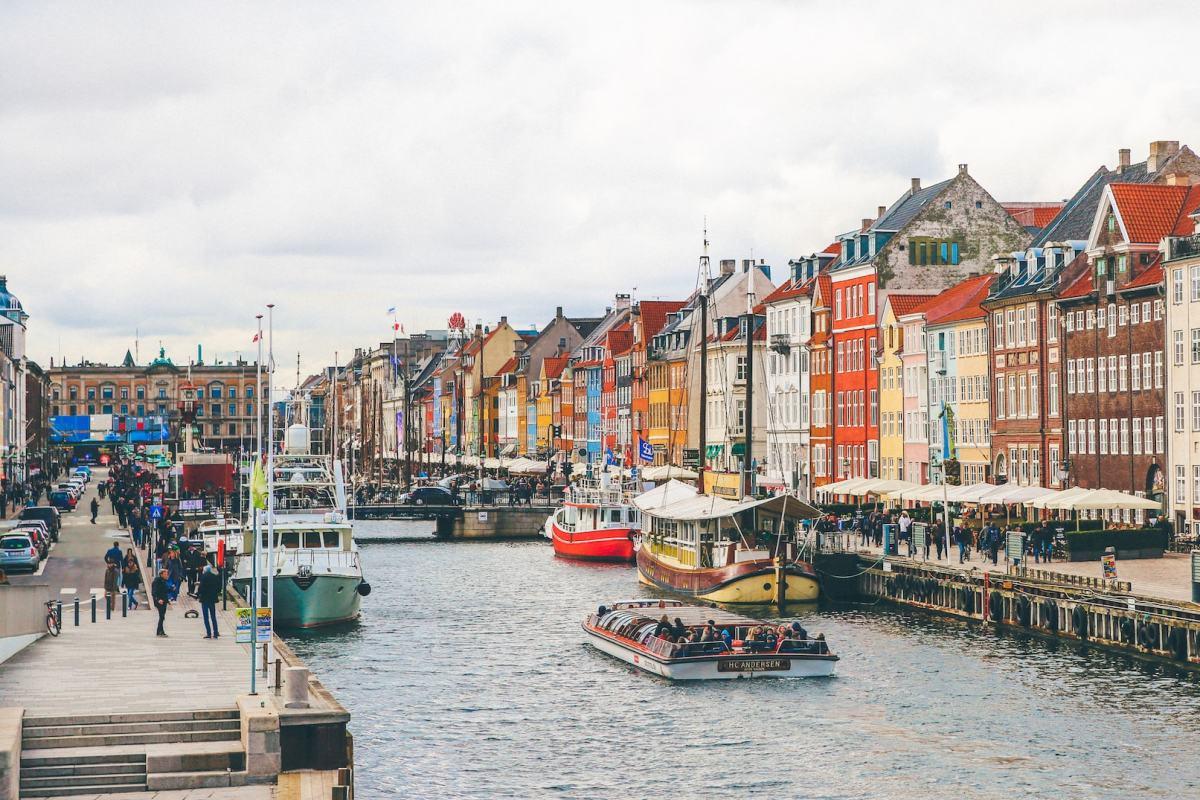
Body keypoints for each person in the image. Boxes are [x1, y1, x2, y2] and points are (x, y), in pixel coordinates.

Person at [198, 564, 222, 639]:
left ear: (204, 570)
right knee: (213, 616)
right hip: (212, 599)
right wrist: (216, 593)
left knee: (206, 617)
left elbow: (200, 588)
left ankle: (208, 633)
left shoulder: (203, 577)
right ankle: (215, 633)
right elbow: (219, 587)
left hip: (204, 599)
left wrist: (199, 594)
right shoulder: (214, 577)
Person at [151, 568, 170, 636]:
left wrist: (171, 589)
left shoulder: (163, 581)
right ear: (161, 574)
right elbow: (154, 592)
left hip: (163, 600)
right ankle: (159, 631)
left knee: (162, 616)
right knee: (161, 616)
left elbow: (165, 590)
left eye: (167, 574)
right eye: (165, 574)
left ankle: (160, 631)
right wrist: (158, 599)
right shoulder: (157, 581)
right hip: (159, 601)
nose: (167, 575)